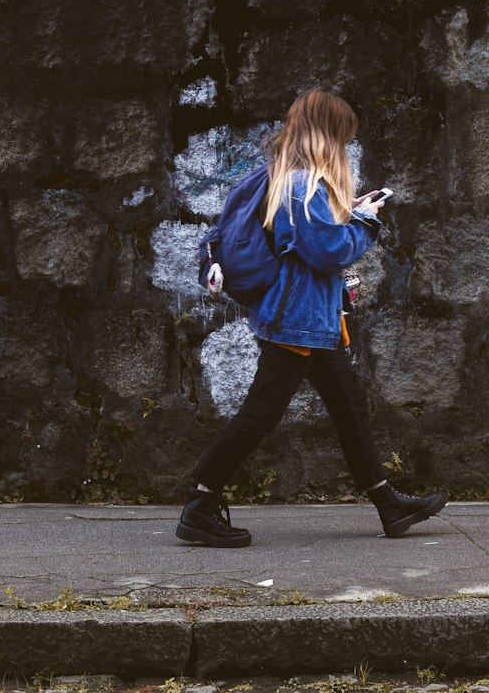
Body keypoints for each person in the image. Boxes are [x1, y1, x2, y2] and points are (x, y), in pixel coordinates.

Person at [176, 87, 447, 549]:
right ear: (328, 136)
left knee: (349, 405)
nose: (345, 147)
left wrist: (347, 211)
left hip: (312, 319)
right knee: (261, 414)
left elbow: (309, 243)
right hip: (297, 320)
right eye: (343, 137)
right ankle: (200, 503)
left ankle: (388, 503)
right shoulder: (303, 184)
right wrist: (364, 221)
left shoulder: (285, 179)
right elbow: (327, 251)